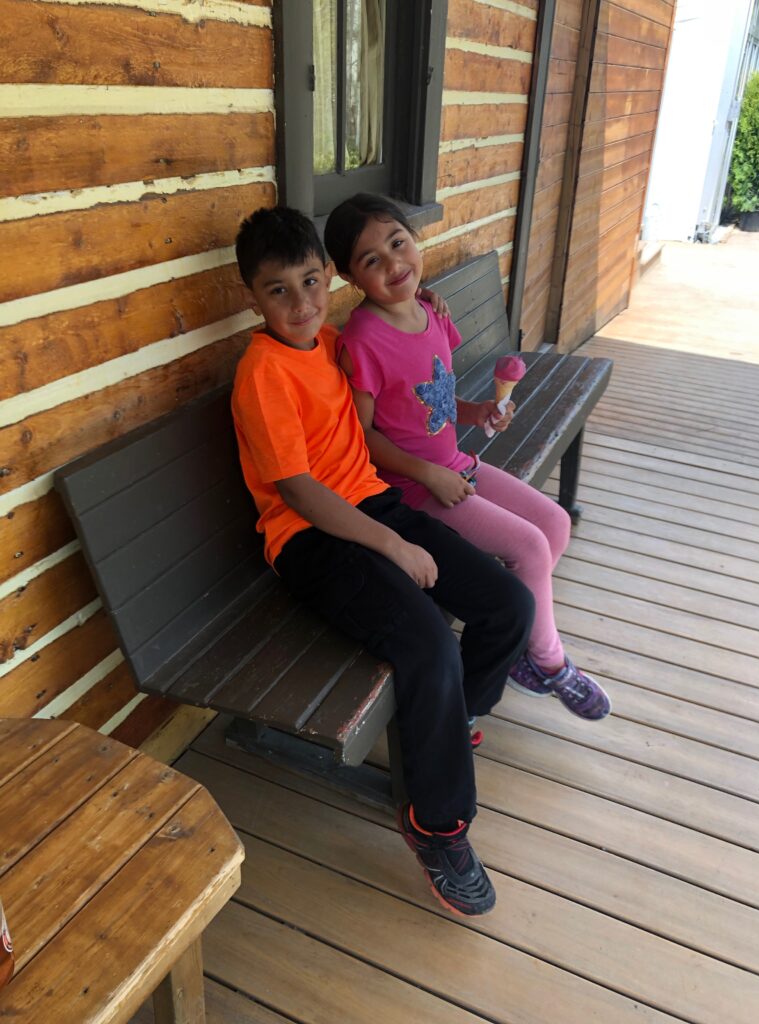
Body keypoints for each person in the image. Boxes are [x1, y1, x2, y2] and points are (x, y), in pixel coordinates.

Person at [231, 205, 535, 917]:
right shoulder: (263, 373)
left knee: (508, 605)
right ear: (253, 296)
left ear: (330, 278)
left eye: (311, 282)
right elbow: (300, 491)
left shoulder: (331, 341)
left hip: (375, 507)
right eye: (279, 291)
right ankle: (438, 824)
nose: (301, 303)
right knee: (428, 642)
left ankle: (454, 722)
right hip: (310, 541)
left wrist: (418, 301)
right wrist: (394, 545)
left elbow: (390, 343)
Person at [324, 193, 610, 721]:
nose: (393, 264)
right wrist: (428, 472)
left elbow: (428, 396)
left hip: (454, 465)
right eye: (371, 260)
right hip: (411, 491)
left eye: (397, 242)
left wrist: (477, 412)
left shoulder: (430, 311)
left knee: (553, 522)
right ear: (349, 277)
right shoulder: (362, 340)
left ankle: (524, 642)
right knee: (528, 546)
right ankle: (546, 663)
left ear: (415, 239)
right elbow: (362, 436)